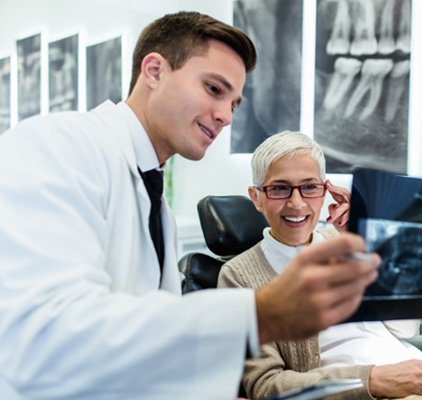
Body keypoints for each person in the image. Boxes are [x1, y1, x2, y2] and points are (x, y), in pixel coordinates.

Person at [0, 12, 380, 400]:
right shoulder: (56, 144)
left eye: (234, 102)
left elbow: (150, 354)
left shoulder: (153, 199)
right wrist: (259, 315)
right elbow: (46, 341)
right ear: (154, 71)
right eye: (214, 89)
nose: (227, 116)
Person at [217, 131, 422, 400]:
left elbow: (404, 328)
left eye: (310, 187)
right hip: (370, 393)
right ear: (256, 197)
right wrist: (373, 380)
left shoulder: (341, 242)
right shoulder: (239, 275)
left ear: (325, 191)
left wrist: (369, 241)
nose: (296, 203)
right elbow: (267, 386)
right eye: (279, 188)